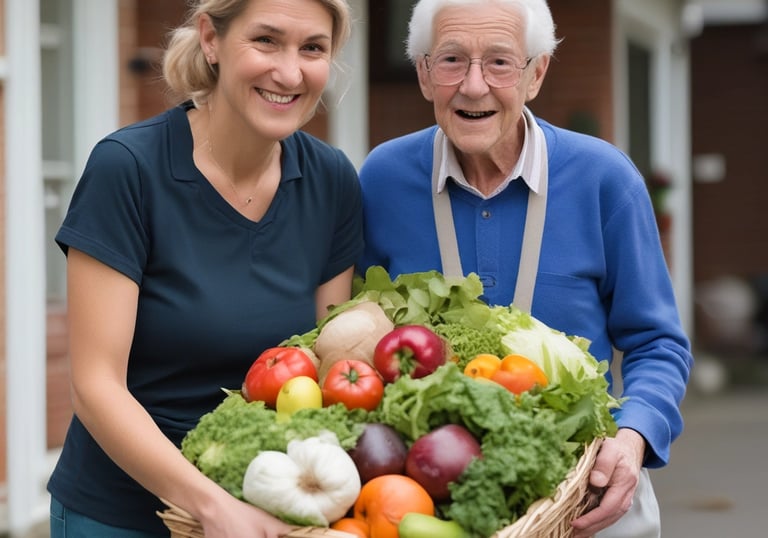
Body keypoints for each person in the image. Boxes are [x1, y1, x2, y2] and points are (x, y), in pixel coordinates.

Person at [357, 1, 693, 537]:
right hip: (432, 495)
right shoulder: (382, 180)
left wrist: (632, 438)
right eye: (451, 60)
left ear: (535, 74)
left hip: (585, 491)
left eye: (499, 62)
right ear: (423, 74)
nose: (474, 86)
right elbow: (359, 338)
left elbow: (657, 342)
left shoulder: (604, 179)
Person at [47, 0, 361, 537]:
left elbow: (328, 366)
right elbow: (97, 388)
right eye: (266, 40)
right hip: (121, 516)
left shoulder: (331, 181)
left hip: (266, 509)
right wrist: (215, 508)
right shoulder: (129, 168)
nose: (290, 73)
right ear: (211, 40)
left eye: (312, 48)